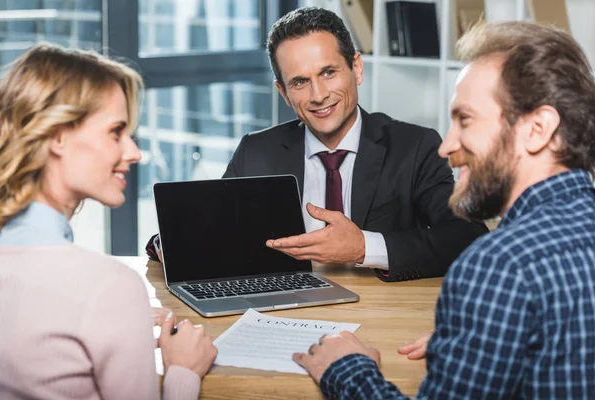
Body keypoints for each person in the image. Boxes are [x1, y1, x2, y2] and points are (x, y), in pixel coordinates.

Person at [293, 20, 595, 398]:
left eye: (464, 119)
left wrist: (347, 368)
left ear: (538, 128)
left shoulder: (498, 266)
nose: (447, 145)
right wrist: (485, 328)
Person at [147, 7, 488, 282]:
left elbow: (466, 238)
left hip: (380, 312)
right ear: (283, 92)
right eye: (300, 82)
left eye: (328, 73)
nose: (318, 95)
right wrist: (173, 241)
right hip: (283, 309)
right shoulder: (256, 151)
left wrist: (363, 248)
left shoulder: (414, 146)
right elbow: (209, 228)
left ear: (356, 68)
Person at [0, 43, 217, 399]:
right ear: (57, 137)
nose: (133, 152)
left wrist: (114, 321)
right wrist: (183, 372)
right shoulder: (108, 288)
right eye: (116, 132)